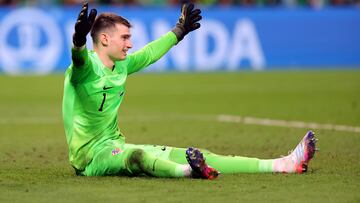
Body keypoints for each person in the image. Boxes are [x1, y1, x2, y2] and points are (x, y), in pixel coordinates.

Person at [62, 1, 318, 179]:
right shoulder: (85, 70)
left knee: (190, 153)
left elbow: (150, 53)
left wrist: (179, 31)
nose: (130, 44)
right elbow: (80, 61)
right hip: (91, 158)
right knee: (137, 156)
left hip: (114, 145)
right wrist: (78, 42)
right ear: (105, 39)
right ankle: (188, 172)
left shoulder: (122, 65)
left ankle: (281, 164)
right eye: (125, 38)